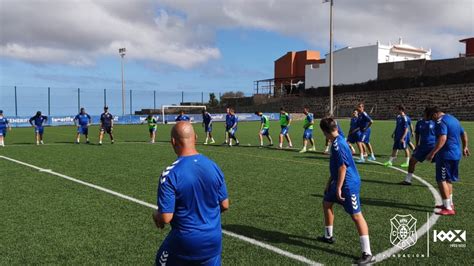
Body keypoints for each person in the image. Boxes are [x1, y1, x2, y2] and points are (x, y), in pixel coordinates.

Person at [153, 122, 229, 265]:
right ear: (196, 137)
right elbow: (224, 204)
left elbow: (165, 217)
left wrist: (155, 215)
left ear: (173, 142)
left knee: (161, 260)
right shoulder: (213, 166)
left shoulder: (170, 174)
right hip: (214, 241)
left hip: (186, 242)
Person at [318, 117, 374, 264]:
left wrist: (338, 188)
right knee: (327, 203)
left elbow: (343, 167)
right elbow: (335, 167)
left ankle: (367, 253)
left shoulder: (338, 145)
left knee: (356, 216)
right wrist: (329, 183)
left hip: (348, 184)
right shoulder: (338, 137)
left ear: (325, 132)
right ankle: (328, 236)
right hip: (338, 181)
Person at [426, 107, 470, 216]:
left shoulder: (441, 121)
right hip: (455, 154)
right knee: (448, 179)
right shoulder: (453, 119)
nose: (432, 121)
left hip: (446, 155)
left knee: (441, 179)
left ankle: (448, 208)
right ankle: (449, 203)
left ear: (435, 114)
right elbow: (464, 133)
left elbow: (443, 138)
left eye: (431, 118)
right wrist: (465, 147)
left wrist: (432, 153)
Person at [401, 108, 436, 185]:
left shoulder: (435, 122)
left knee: (440, 164)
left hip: (433, 146)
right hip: (422, 147)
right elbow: (417, 133)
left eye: (425, 113)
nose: (424, 114)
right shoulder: (420, 122)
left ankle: (443, 181)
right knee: (412, 161)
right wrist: (417, 144)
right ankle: (408, 180)